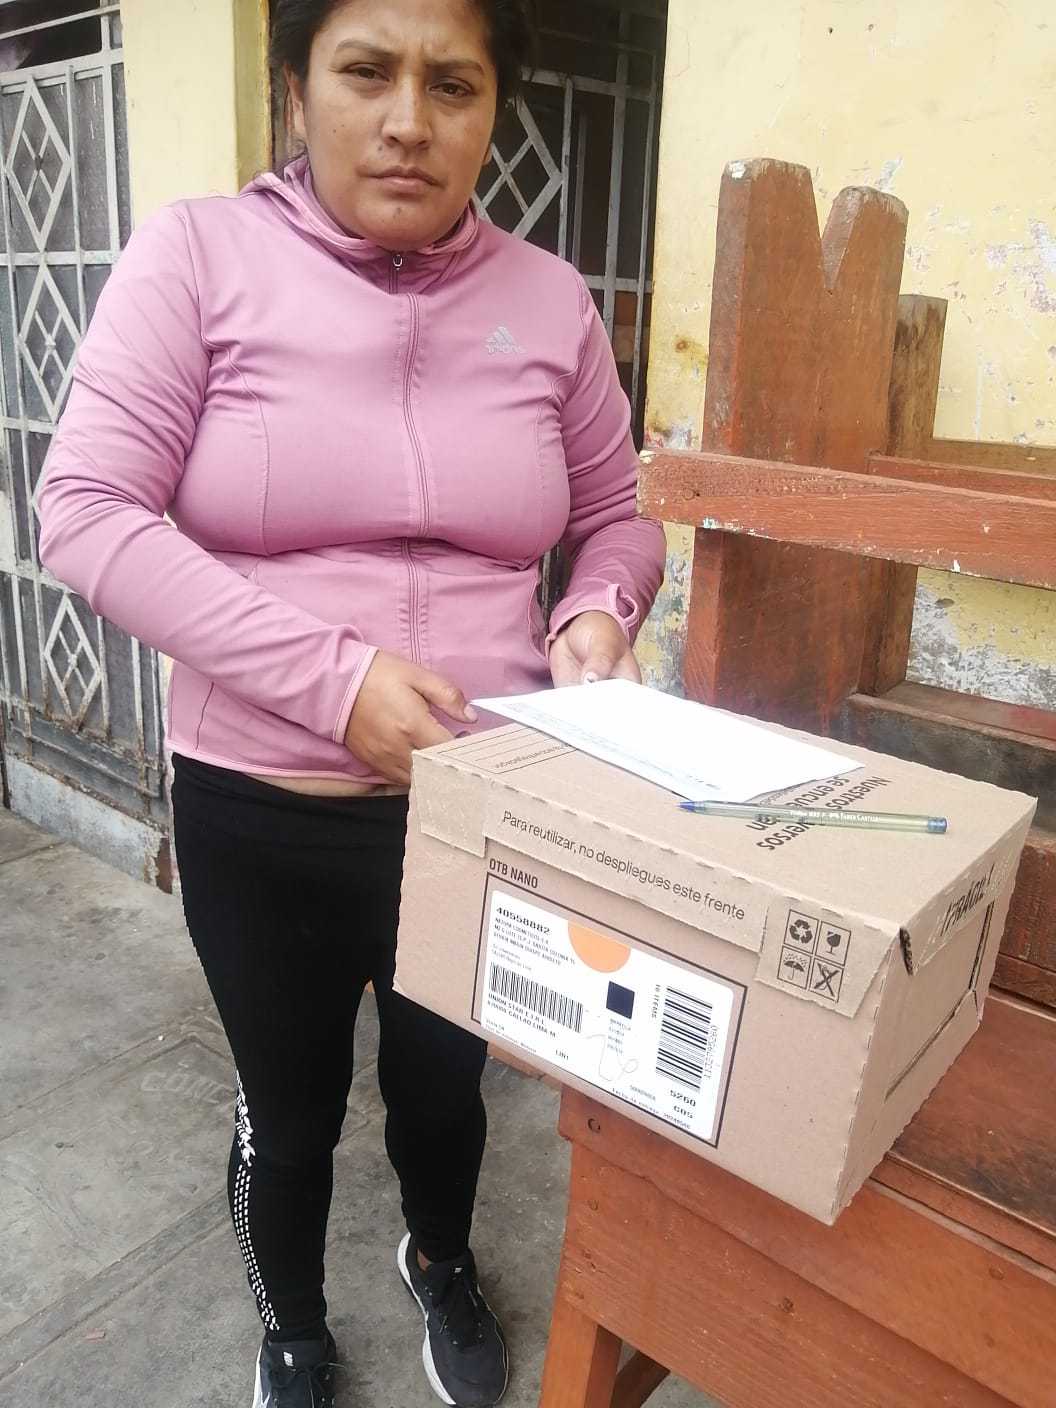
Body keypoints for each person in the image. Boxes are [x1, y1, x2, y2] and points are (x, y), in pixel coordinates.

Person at [37, 0, 666, 1403]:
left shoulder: (549, 301)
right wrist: (335, 684)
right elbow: (83, 509)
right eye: (366, 72)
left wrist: (595, 614)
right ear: (294, 86)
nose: (408, 121)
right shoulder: (196, 258)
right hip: (263, 812)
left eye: (454, 84)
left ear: (493, 109)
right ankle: (294, 1327)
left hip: (479, 807)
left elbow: (619, 518)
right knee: (291, 1108)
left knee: (448, 1086)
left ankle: (439, 1258)